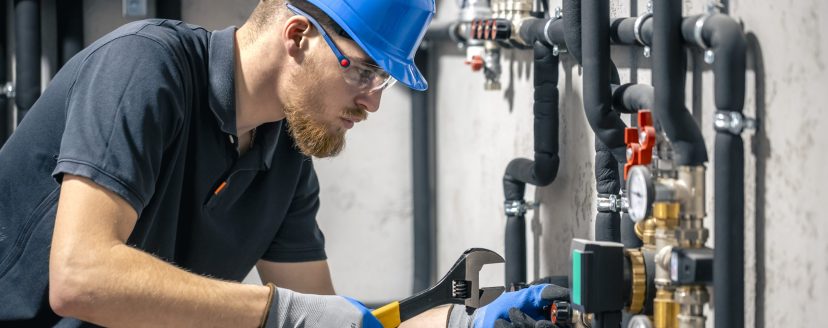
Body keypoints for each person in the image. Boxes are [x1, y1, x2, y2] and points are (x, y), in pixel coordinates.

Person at [0, 0, 565, 326]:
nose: (373, 101)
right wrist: (281, 313)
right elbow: (79, 277)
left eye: (384, 80)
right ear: (298, 36)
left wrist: (460, 322)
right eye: (364, 72)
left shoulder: (285, 154)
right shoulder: (145, 67)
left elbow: (322, 319)